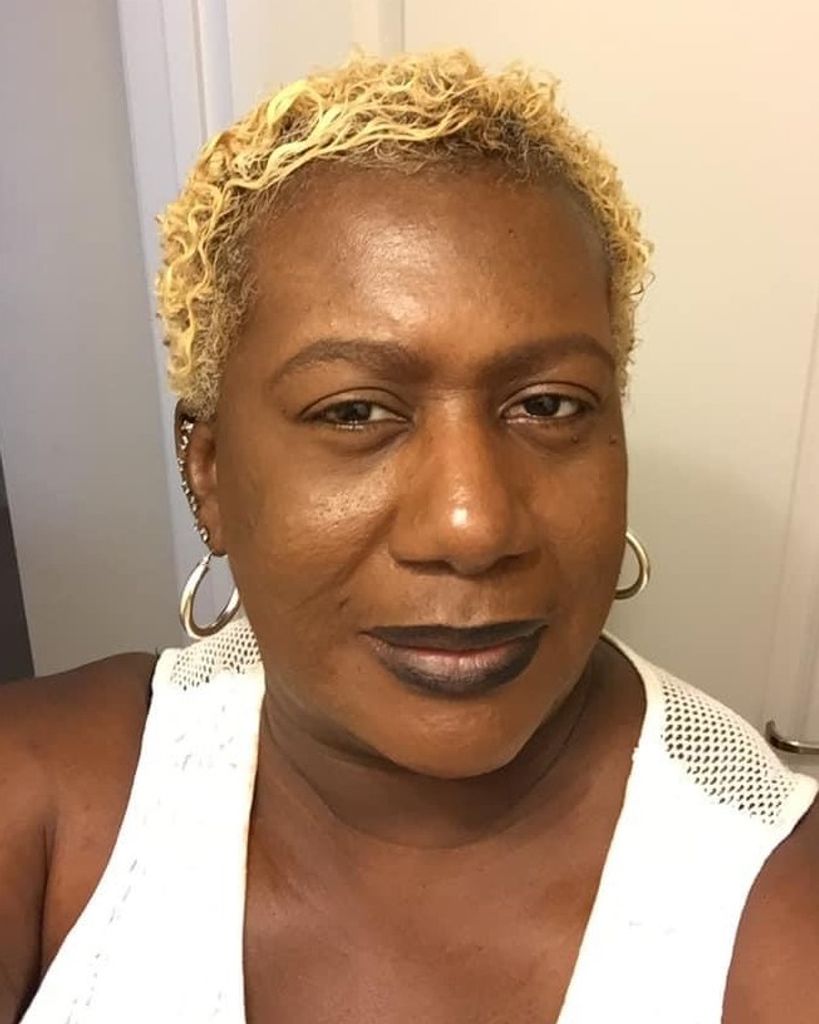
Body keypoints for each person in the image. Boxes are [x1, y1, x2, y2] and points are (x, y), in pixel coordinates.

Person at [1, 48, 817, 1024]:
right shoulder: (53, 797)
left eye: (548, 404)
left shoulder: (774, 907)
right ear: (209, 476)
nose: (472, 526)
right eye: (354, 412)